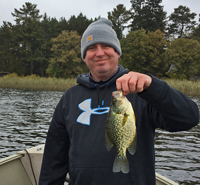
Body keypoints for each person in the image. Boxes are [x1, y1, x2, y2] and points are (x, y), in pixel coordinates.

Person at [39, 18, 199, 185]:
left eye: (106, 46)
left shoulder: (141, 91)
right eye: (92, 48)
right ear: (84, 57)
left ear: (117, 52)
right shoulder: (70, 97)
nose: (99, 53)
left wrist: (153, 86)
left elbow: (189, 119)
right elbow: (54, 157)